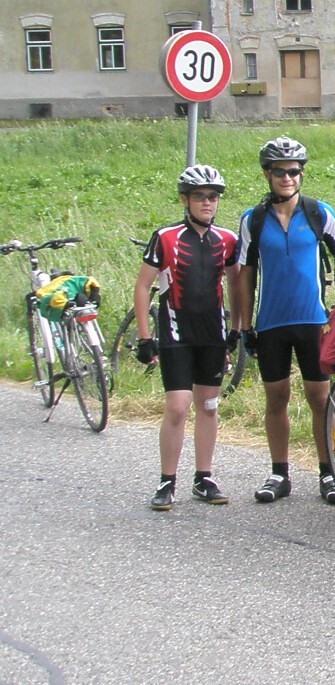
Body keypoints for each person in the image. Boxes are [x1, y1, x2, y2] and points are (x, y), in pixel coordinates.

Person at [235, 136, 335, 506]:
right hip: (271, 322)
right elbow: (245, 273)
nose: (287, 178)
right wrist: (244, 326)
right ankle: (279, 473)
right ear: (266, 175)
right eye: (279, 172)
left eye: (294, 171)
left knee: (320, 399)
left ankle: (328, 472)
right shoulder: (253, 220)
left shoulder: (319, 212)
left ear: (301, 174)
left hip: (313, 321)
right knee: (276, 398)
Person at [137, 165, 246, 510]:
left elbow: (236, 284)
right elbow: (142, 286)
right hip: (176, 333)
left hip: (212, 335)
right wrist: (144, 337)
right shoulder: (165, 237)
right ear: (185, 199)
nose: (207, 203)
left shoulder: (227, 239)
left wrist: (236, 329)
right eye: (200, 197)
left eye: (213, 197)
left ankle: (204, 478)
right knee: (178, 406)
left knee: (209, 406)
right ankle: (166, 481)